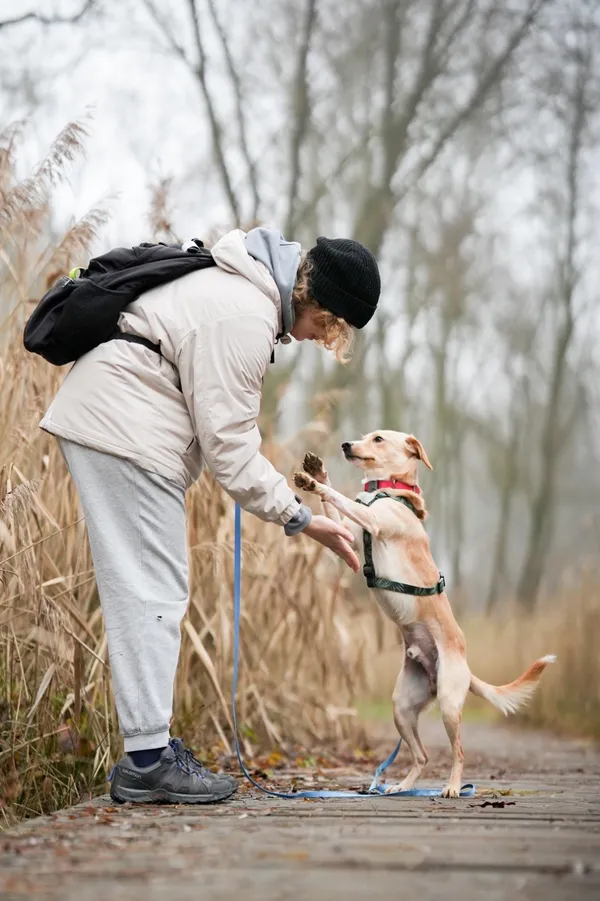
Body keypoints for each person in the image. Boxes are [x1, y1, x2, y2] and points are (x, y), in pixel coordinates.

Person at [40, 227, 381, 804]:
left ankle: (149, 749)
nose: (313, 340)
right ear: (320, 306)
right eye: (327, 329)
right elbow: (231, 453)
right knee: (152, 590)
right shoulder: (246, 315)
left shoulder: (242, 294)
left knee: (149, 587)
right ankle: (147, 762)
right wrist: (303, 519)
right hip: (124, 426)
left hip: (118, 420)